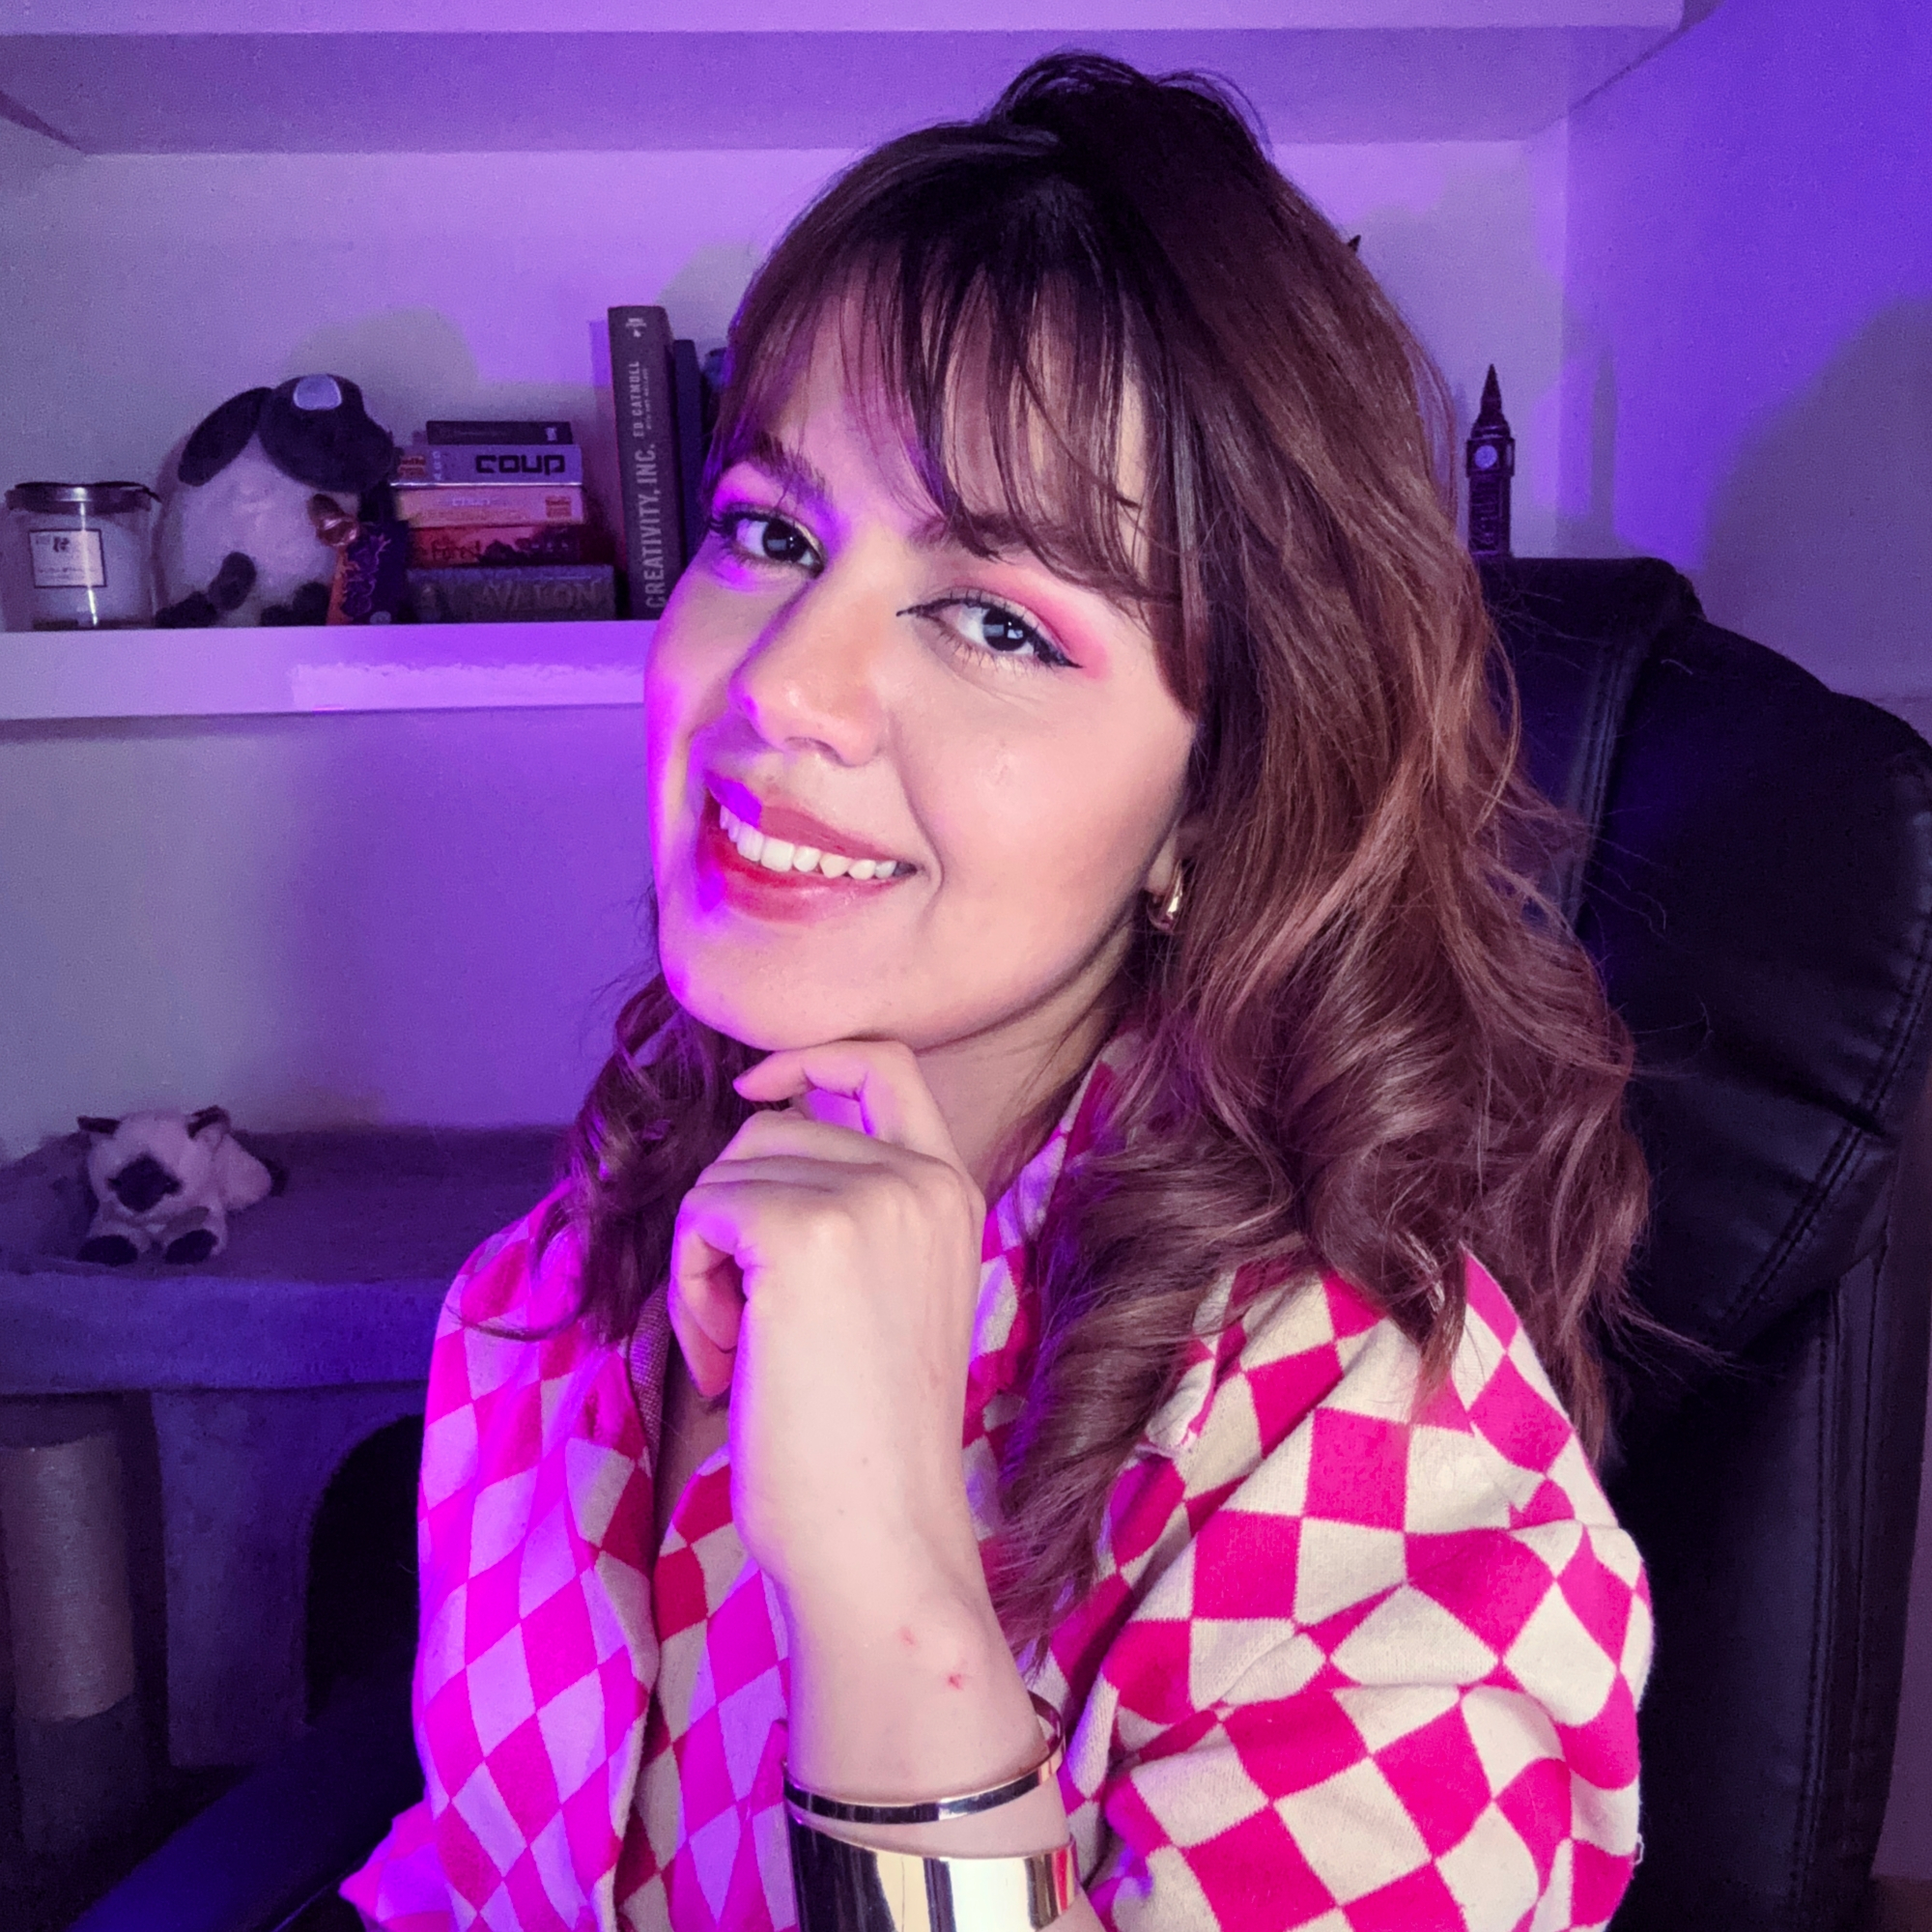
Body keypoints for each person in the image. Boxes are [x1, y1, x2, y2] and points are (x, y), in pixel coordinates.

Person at [345, 52, 1653, 1932]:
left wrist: (889, 1589)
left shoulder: (1380, 1483)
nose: (784, 686)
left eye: (996, 620)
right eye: (772, 534)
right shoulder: (567, 1277)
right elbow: (478, 1866)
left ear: (1214, 800)